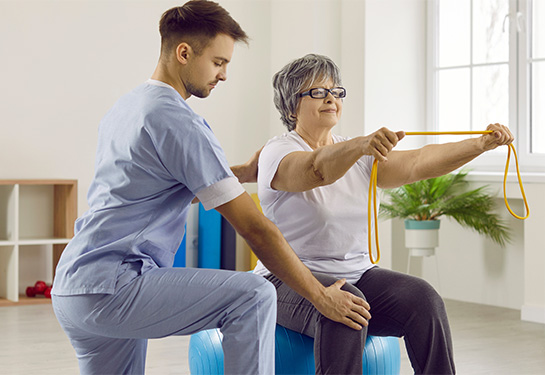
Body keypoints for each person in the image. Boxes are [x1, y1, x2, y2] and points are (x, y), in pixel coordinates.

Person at [51, 4, 370, 375]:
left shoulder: (128, 107)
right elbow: (255, 229)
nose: (223, 75)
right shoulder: (179, 120)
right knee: (253, 295)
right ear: (184, 53)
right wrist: (319, 296)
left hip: (74, 287)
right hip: (118, 285)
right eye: (219, 62)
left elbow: (153, 187)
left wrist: (242, 173)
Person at [253, 53, 514, 375]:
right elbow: (315, 170)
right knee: (348, 303)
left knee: (423, 298)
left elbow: (419, 162)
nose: (331, 98)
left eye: (336, 91)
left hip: (357, 274)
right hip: (285, 281)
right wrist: (362, 146)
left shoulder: (358, 153)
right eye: (317, 92)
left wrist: (479, 145)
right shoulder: (277, 152)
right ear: (292, 106)